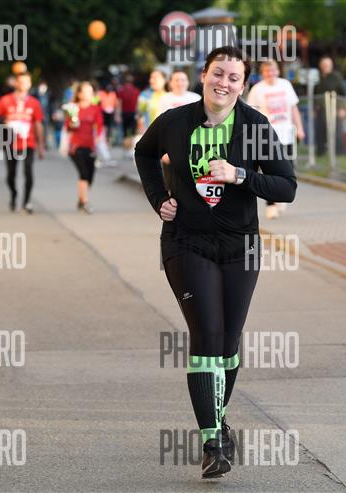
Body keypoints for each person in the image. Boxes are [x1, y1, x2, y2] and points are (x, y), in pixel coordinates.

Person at [135, 46, 296, 479]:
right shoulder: (174, 122)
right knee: (206, 333)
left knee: (228, 341)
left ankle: (218, 418)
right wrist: (159, 199)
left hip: (240, 245)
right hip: (186, 242)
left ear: (243, 85)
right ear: (203, 75)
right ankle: (212, 443)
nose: (224, 82)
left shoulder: (254, 126)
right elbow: (144, 153)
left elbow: (286, 186)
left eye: (233, 77)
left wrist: (240, 175)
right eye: (217, 73)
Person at [247, 59, 305, 219]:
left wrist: (300, 128)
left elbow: (293, 108)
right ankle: (270, 203)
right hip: (267, 135)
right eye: (267, 71)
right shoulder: (257, 89)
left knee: (288, 167)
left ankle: (282, 196)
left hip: (286, 133)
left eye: (272, 70)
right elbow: (251, 113)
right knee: (268, 170)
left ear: (277, 71)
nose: (270, 74)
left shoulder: (285, 85)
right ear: (262, 73)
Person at [0, 72, 44, 214]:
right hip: (10, 143)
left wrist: (41, 145)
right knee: (11, 175)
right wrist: (7, 124)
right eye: (21, 81)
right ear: (15, 83)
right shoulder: (5, 101)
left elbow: (38, 124)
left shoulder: (34, 103)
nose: (23, 85)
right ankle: (14, 194)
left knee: (28, 171)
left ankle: (26, 202)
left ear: (30, 84)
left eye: (26, 82)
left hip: (28, 142)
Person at [65, 81, 104, 214]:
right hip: (75, 146)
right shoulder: (73, 108)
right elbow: (68, 127)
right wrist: (72, 124)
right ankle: (85, 202)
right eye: (86, 91)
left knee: (90, 175)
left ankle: (81, 198)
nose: (89, 94)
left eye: (91, 92)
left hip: (90, 146)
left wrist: (99, 137)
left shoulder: (95, 108)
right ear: (79, 94)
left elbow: (99, 125)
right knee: (83, 173)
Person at [314, 55, 346, 155]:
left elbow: (343, 93)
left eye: (328, 65)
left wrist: (342, 108)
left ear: (331, 65)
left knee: (337, 131)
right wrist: (314, 108)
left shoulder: (336, 77)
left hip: (334, 109)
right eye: (324, 65)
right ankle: (321, 152)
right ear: (320, 66)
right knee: (320, 130)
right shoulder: (317, 78)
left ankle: (339, 152)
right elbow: (315, 94)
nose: (326, 67)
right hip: (322, 109)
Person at [117, 73, 140, 138]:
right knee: (133, 131)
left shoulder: (121, 90)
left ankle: (125, 142)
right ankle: (131, 142)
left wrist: (118, 114)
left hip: (124, 113)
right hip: (133, 112)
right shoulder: (136, 90)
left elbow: (119, 103)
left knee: (124, 131)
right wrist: (138, 113)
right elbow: (138, 103)